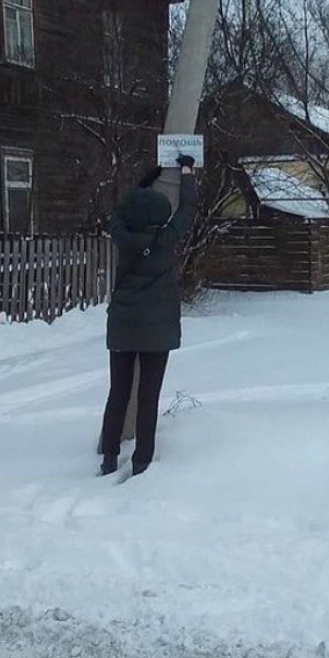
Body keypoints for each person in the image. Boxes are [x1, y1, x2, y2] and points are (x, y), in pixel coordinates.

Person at [99, 154, 197, 477]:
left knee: (118, 392)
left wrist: (143, 183)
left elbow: (118, 213)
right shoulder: (166, 239)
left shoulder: (121, 234)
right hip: (157, 328)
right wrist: (186, 172)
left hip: (123, 326)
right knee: (148, 396)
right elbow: (188, 210)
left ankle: (109, 457)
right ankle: (142, 460)